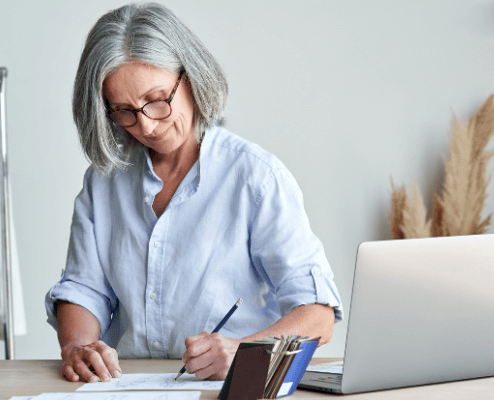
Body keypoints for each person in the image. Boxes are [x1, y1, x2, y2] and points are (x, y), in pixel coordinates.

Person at [44, 2, 343, 384]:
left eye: (156, 100)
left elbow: (317, 313)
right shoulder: (104, 181)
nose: (147, 126)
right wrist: (77, 347)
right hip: (129, 387)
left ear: (191, 77)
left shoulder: (256, 178)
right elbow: (84, 289)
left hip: (232, 388)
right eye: (124, 111)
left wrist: (244, 353)